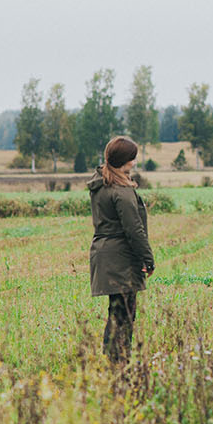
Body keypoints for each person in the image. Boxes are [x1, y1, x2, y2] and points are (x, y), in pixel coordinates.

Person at [88, 135, 155, 362]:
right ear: (124, 160)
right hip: (121, 258)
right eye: (132, 158)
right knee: (124, 315)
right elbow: (134, 230)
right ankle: (119, 364)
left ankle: (113, 362)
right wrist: (148, 259)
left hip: (105, 255)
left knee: (116, 312)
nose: (134, 162)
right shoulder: (121, 190)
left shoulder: (101, 183)